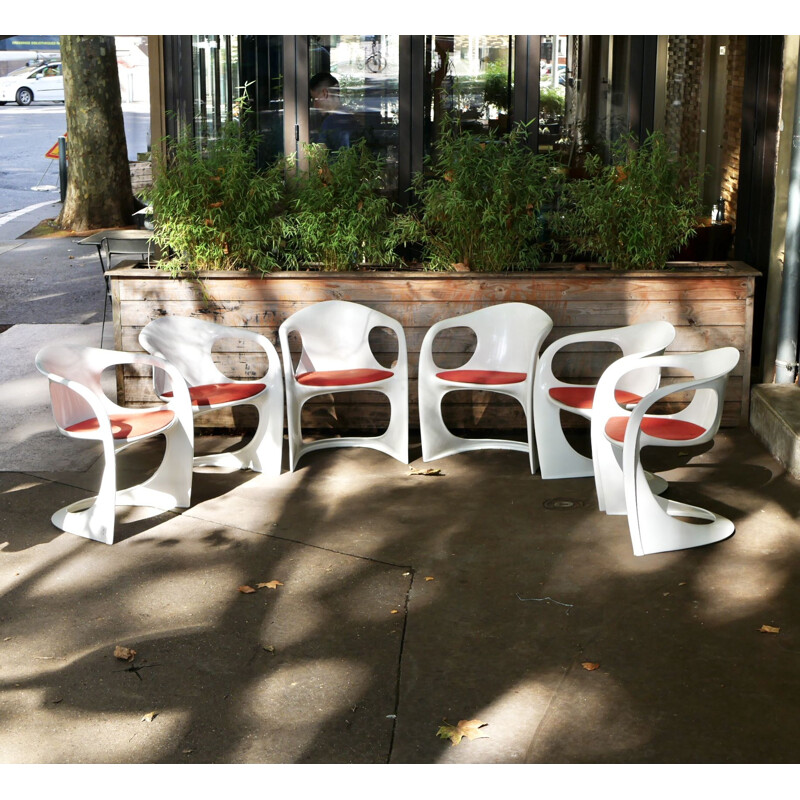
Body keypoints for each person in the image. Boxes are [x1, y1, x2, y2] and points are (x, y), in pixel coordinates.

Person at [309, 72, 359, 152]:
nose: (315, 105)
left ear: (325, 93)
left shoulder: (329, 123)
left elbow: (318, 158)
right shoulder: (350, 116)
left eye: (315, 99)